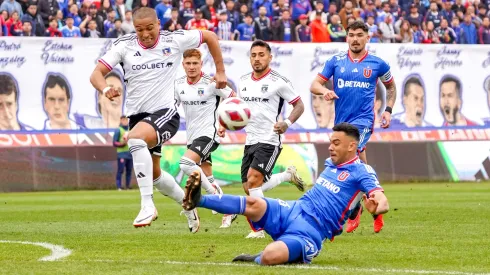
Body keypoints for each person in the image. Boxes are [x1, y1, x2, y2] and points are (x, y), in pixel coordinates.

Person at [89, 7, 228, 230]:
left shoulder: (173, 40)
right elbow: (96, 74)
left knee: (134, 139)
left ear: (158, 24)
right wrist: (105, 89)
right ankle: (189, 204)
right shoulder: (124, 45)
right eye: (139, 29)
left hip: (165, 113)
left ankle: (147, 205)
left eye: (150, 28)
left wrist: (220, 71)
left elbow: (210, 36)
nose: (145, 34)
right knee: (154, 175)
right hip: (138, 116)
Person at [182, 122, 390, 265]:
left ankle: (259, 256)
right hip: (294, 209)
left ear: (352, 146)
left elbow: (382, 201)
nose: (330, 148)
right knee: (255, 203)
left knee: (271, 256)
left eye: (336, 143)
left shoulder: (362, 171)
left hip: (311, 231)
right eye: (330, 142)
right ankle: (199, 200)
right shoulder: (331, 163)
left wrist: (376, 208)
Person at [310, 21, 397, 234]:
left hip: (363, 123)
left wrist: (388, 110)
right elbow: (314, 85)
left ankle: (353, 208)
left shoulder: (378, 64)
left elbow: (391, 86)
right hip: (341, 124)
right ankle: (374, 211)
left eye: (359, 35)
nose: (355, 38)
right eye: (351, 35)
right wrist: (325, 92)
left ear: (368, 37)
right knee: (362, 168)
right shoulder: (336, 62)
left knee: (349, 158)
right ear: (346, 37)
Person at [231, 40, 305, 239]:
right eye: (253, 55)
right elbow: (241, 111)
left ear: (270, 58)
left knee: (254, 181)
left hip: (270, 139)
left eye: (261, 55)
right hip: (250, 139)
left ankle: (262, 228)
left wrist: (287, 123)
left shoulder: (278, 81)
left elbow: (299, 105)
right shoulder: (243, 81)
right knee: (249, 187)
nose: (257, 58)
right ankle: (286, 176)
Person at [174, 49, 235, 230]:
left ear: (201, 64)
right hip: (192, 136)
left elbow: (234, 99)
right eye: (188, 63)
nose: (191, 67)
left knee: (186, 164)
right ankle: (228, 210)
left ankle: (212, 194)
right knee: (208, 175)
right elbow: (171, 107)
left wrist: (225, 122)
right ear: (183, 64)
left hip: (209, 134)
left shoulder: (212, 83)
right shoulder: (178, 85)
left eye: (195, 63)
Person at [113, 116, 133, 191]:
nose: (125, 121)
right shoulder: (119, 130)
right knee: (120, 170)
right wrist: (122, 144)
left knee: (129, 170)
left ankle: (128, 186)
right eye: (123, 120)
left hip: (130, 154)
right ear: (121, 120)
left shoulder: (130, 130)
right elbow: (114, 143)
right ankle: (119, 186)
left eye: (126, 120)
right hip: (121, 154)